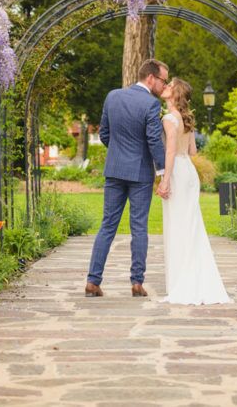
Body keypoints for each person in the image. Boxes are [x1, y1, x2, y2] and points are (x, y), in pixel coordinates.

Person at [85, 59, 168, 297]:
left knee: (107, 225)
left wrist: (118, 153)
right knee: (139, 227)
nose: (164, 86)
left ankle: (92, 281)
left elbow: (105, 134)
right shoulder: (151, 104)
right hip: (140, 173)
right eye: (163, 80)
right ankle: (136, 283)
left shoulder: (112, 96)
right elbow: (153, 140)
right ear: (150, 78)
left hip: (114, 170)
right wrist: (162, 172)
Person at [156, 78, 231, 305]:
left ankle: (182, 281)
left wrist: (165, 180)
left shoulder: (169, 119)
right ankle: (195, 276)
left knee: (178, 226)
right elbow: (192, 150)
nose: (165, 86)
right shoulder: (186, 120)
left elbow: (170, 152)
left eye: (169, 85)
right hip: (188, 171)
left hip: (177, 172)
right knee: (191, 224)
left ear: (174, 93)